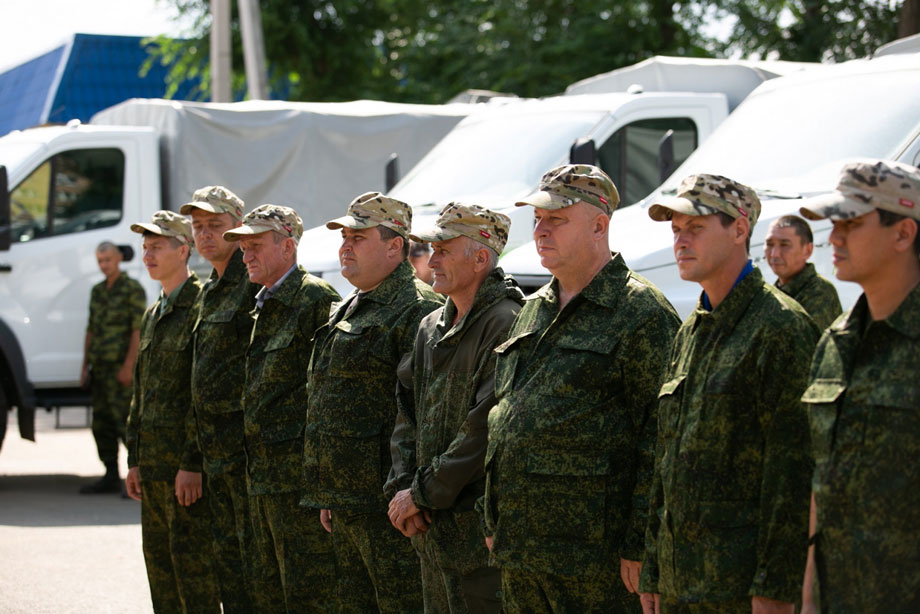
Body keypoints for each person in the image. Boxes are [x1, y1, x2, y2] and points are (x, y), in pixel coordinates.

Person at [480, 164, 680, 613]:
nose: (541, 231)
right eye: (538, 220)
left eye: (556, 219)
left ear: (599, 225)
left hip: (595, 559)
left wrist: (641, 544)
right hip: (522, 550)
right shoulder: (533, 310)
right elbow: (506, 418)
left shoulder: (641, 312)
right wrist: (493, 515)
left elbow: (663, 437)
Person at [639, 174, 818, 614]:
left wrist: (776, 590)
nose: (681, 241)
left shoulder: (781, 328)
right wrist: (654, 570)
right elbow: (666, 463)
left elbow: (792, 477)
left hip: (740, 590)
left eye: (695, 228)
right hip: (682, 585)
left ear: (740, 230)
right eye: (676, 230)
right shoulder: (690, 332)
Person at [303, 191, 442, 614]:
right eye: (344, 236)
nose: (345, 246)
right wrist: (329, 490)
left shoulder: (418, 308)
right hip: (347, 500)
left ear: (394, 245)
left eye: (357, 237)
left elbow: (426, 414)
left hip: (389, 507)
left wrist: (410, 493)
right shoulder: (349, 306)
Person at [385, 203, 524, 614]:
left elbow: (484, 429)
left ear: (480, 258)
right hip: (431, 531)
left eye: (444, 250)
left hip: (475, 536)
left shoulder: (506, 321)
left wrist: (422, 494)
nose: (432, 260)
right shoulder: (431, 325)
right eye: (431, 249)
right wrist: (404, 487)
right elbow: (406, 413)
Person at [798, 159, 920, 614]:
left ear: (903, 234)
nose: (835, 237)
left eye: (851, 222)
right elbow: (823, 483)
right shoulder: (836, 341)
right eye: (835, 223)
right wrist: (809, 597)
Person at [222, 205, 340, 613]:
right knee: (267, 592)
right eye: (242, 248)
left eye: (255, 246)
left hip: (297, 484)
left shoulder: (315, 299)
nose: (245, 255)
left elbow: (327, 396)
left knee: (308, 595)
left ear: (287, 246)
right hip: (262, 479)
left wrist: (323, 481)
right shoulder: (264, 302)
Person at [124, 210, 220, 613]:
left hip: (184, 473)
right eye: (145, 248)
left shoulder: (200, 306)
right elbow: (141, 394)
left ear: (183, 251)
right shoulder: (154, 312)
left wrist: (192, 462)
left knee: (194, 578)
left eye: (157, 247)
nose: (147, 255)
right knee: (161, 575)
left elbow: (202, 393)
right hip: (153, 468)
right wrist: (133, 459)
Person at [180, 186, 258, 613]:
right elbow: (202, 382)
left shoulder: (251, 280)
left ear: (237, 226)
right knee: (228, 569)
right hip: (215, 457)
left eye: (215, 225)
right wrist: (193, 458)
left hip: (245, 456)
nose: (205, 235)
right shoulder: (211, 287)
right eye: (198, 227)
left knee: (253, 574)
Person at [79, 241, 146, 494]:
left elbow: (137, 329)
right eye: (100, 261)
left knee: (125, 423)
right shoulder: (98, 291)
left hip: (121, 369)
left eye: (107, 260)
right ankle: (109, 475)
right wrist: (85, 365)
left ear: (119, 258)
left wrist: (129, 366)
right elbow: (91, 329)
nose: (104, 265)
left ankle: (138, 479)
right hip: (101, 369)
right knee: (102, 424)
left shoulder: (132, 289)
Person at [764, 215, 842, 330]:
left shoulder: (820, 292)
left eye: (785, 245)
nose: (774, 254)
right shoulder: (772, 292)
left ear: (807, 250)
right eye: (769, 245)